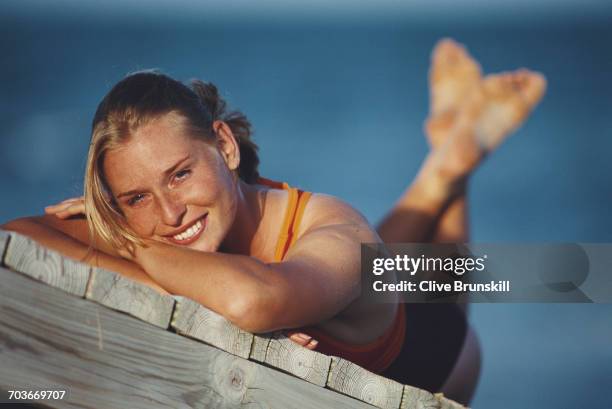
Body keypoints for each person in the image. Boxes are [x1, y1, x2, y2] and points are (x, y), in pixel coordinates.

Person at [2, 39, 545, 405]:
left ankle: (452, 162)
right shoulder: (160, 224)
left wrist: (128, 245)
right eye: (137, 197)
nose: (168, 214)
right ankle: (452, 154)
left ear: (224, 145)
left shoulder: (333, 225)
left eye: (180, 174)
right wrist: (131, 250)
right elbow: (16, 238)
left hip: (436, 352)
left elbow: (250, 302)